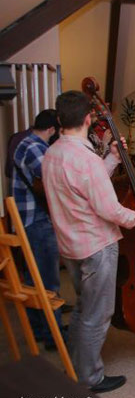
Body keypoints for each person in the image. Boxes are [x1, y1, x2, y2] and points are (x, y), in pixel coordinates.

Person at [43, 90, 135, 393]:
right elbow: (110, 210)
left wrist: (113, 158)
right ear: (88, 119)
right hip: (96, 246)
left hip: (70, 245)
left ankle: (75, 362)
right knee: (98, 313)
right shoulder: (86, 159)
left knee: (83, 306)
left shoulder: (53, 153)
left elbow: (86, 186)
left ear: (60, 119)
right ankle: (89, 377)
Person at [12, 109, 63, 350]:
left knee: (34, 279)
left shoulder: (25, 142)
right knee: (48, 282)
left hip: (30, 220)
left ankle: (39, 329)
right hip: (37, 221)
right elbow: (54, 180)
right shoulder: (34, 147)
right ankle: (53, 335)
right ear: (52, 129)